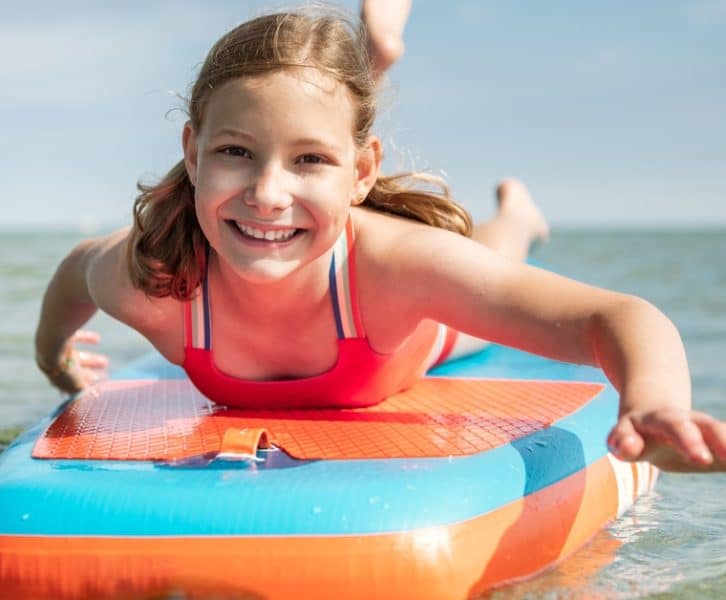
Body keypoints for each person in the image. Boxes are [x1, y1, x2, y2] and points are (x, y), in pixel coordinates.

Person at [34, 7, 725, 473]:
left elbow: (618, 317)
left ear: (364, 172)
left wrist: (654, 399)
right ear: (192, 153)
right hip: (355, 257)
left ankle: (519, 213)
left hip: (409, 331)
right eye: (235, 153)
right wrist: (54, 356)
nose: (266, 192)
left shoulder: (397, 271)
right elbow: (72, 276)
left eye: (310, 160)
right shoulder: (157, 277)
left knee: (491, 257)